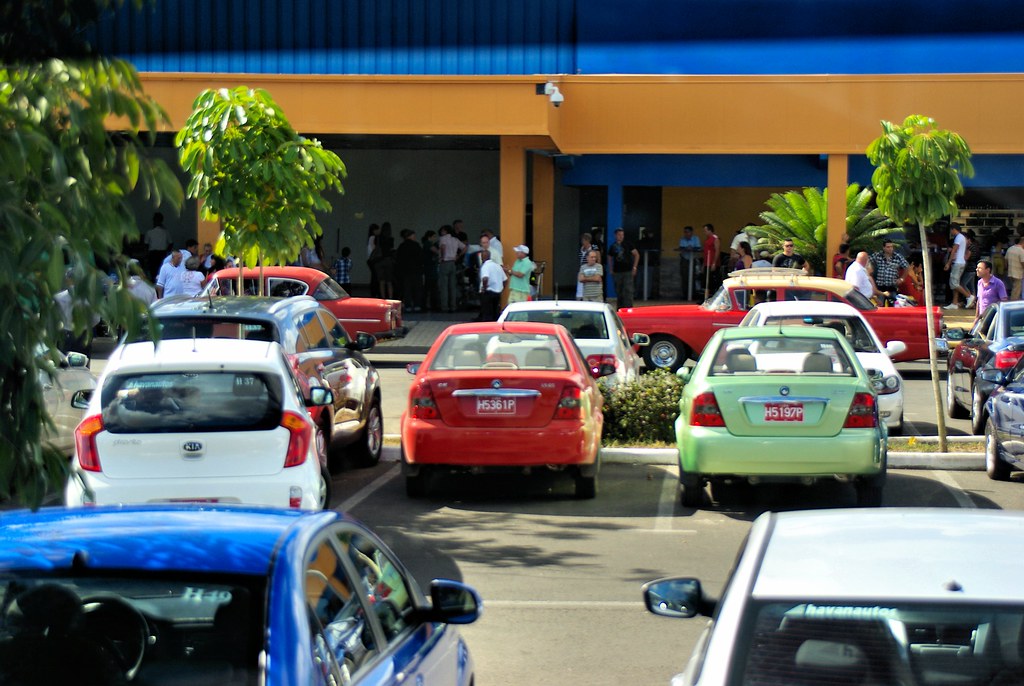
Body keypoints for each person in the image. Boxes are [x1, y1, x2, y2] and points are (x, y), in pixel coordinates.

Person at [943, 223, 973, 310]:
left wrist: (948, 263)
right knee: (955, 283)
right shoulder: (962, 237)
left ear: (953, 229)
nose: (951, 232)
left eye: (951, 230)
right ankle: (954, 303)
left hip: (957, 263)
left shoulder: (958, 238)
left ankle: (969, 296)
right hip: (961, 262)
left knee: (954, 283)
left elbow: (954, 251)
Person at [608, 227, 639, 307]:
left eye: (622, 235)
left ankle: (628, 308)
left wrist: (634, 267)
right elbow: (610, 257)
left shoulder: (628, 244)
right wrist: (611, 268)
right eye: (619, 235)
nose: (621, 236)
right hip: (617, 271)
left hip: (628, 271)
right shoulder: (613, 246)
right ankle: (620, 308)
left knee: (628, 290)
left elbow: (636, 255)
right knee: (619, 291)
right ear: (615, 235)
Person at [437, 224, 465, 312]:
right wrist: (458, 256)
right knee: (452, 286)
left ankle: (444, 306)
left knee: (444, 286)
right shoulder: (455, 239)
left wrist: (442, 257)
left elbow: (443, 247)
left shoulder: (443, 238)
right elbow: (464, 247)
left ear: (445, 231)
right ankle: (453, 306)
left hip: (445, 262)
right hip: (453, 263)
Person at [395, 229, 424, 312]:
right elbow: (421, 258)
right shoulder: (416, 245)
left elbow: (399, 259)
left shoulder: (402, 246)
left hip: (405, 271)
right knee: (417, 288)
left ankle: (408, 305)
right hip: (416, 270)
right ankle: (417, 305)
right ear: (410, 236)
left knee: (407, 289)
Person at [974, 259, 1008, 326]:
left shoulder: (998, 283)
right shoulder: (979, 283)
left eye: (980, 268)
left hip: (994, 319)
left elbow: (1004, 301)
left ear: (988, 270)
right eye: (977, 268)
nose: (977, 270)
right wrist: (976, 317)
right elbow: (979, 300)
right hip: (982, 318)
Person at [477, 249, 506, 321]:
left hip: (488, 292)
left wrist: (484, 287)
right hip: (497, 292)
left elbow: (485, 278)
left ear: (482, 257)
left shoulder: (485, 266)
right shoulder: (497, 266)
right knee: (495, 311)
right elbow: (505, 279)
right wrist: (502, 288)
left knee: (487, 312)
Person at [675, 225, 701, 299]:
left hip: (693, 259)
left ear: (691, 232)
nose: (686, 234)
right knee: (684, 277)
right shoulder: (682, 239)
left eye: (687, 232)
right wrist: (686, 248)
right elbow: (681, 247)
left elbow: (698, 247)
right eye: (685, 232)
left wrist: (692, 248)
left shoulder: (696, 239)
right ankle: (685, 295)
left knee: (693, 277)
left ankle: (693, 294)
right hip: (685, 259)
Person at [144, 212, 170, 280]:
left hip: (153, 254)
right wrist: (167, 251)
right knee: (162, 271)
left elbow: (146, 244)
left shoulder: (149, 232)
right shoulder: (165, 232)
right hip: (162, 254)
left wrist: (146, 254)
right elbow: (170, 243)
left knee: (153, 272)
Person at [374, 223, 395, 299]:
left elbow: (376, 247)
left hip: (379, 260)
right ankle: (390, 297)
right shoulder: (391, 239)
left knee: (381, 281)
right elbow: (391, 249)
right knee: (389, 281)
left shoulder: (378, 238)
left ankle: (382, 297)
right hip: (388, 260)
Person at [421, 230, 440, 311]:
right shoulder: (428, 244)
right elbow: (436, 251)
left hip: (429, 268)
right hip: (430, 268)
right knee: (432, 287)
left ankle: (427, 304)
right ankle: (432, 305)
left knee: (428, 287)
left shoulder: (426, 244)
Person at [701, 224, 721, 298]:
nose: (704, 232)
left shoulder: (715, 239)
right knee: (706, 281)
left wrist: (714, 263)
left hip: (712, 263)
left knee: (712, 281)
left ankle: (712, 297)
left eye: (705, 231)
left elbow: (717, 251)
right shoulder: (707, 239)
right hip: (707, 262)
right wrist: (703, 264)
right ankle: (705, 297)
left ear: (710, 230)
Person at [576, 232, 597, 299]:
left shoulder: (592, 250)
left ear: (587, 241)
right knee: (580, 286)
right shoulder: (581, 249)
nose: (582, 242)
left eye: (583, 240)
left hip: (589, 270)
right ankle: (579, 297)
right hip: (581, 269)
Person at [1006, 235, 1024, 300]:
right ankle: (1013, 304)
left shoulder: (1010, 249)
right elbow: (1023, 263)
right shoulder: (1021, 251)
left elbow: (1006, 261)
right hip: (1018, 274)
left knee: (1014, 289)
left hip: (1010, 273)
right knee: (1016, 291)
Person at [366, 223, 380, 298]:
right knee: (375, 277)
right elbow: (373, 249)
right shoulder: (373, 238)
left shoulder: (370, 237)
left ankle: (373, 292)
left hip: (370, 259)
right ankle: (374, 292)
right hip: (373, 259)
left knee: (374, 276)